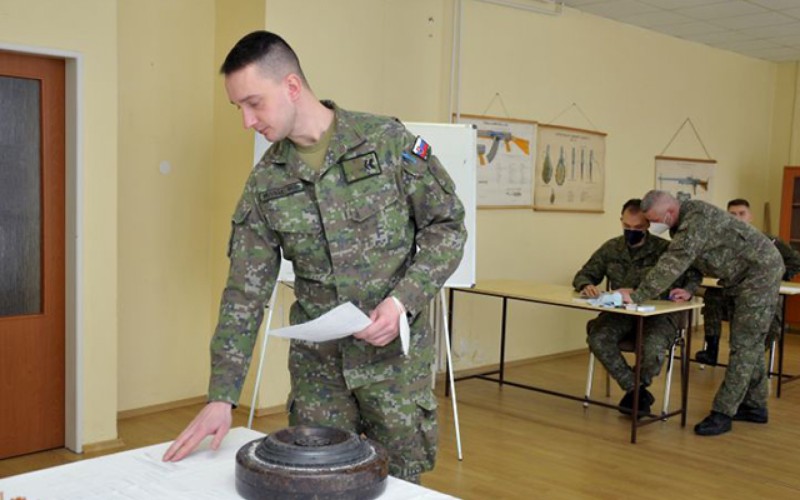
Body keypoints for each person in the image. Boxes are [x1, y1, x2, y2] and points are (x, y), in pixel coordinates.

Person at [162, 31, 467, 483]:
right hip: (319, 375)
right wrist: (221, 397)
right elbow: (245, 293)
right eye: (238, 109)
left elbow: (447, 227)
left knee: (400, 486)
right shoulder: (266, 184)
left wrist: (403, 300)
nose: (247, 121)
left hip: (394, 369)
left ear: (290, 86)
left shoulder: (385, 142)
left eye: (253, 103)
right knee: (320, 485)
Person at [618, 191, 784, 436]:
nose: (653, 226)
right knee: (751, 343)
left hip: (759, 274)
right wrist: (688, 288)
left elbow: (672, 263)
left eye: (654, 220)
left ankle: (723, 412)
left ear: (669, 213)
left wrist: (637, 295)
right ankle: (755, 406)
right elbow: (693, 262)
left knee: (744, 344)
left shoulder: (696, 219)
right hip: (742, 276)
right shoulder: (683, 222)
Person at [573, 199, 700, 416]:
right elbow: (584, 274)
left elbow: (694, 272)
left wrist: (688, 290)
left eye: (638, 228)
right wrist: (587, 285)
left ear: (648, 225)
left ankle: (635, 393)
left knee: (653, 350)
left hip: (658, 314)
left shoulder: (665, 250)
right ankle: (637, 391)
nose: (632, 232)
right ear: (621, 222)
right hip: (621, 312)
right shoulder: (612, 248)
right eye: (627, 227)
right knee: (598, 338)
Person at [696, 198, 800, 365]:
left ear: (750, 216)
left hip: (761, 296)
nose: (737, 218)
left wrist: (774, 277)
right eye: (732, 214)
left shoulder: (769, 241)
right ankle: (712, 348)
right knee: (712, 295)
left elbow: (795, 261)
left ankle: (752, 360)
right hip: (732, 294)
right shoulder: (722, 242)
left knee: (767, 321)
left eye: (741, 213)